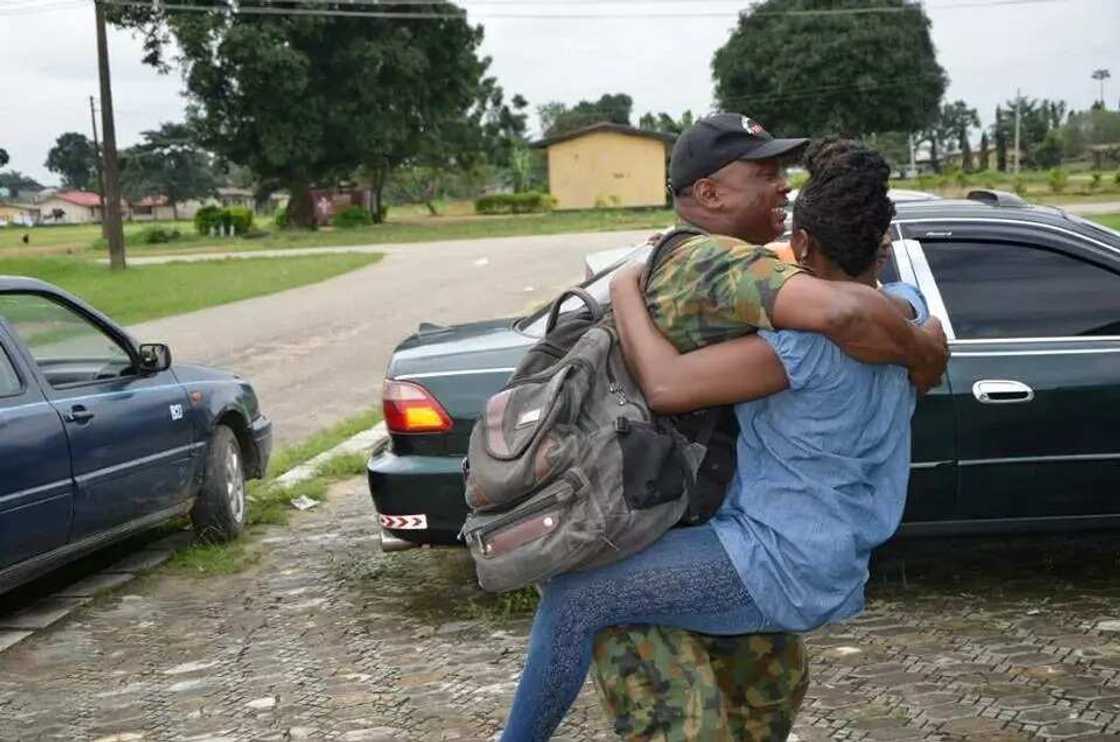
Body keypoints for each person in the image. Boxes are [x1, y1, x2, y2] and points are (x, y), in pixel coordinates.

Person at [498, 117, 944, 740]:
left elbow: (670, 385)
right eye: (765, 175)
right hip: (832, 554)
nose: (781, 190)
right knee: (754, 706)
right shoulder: (909, 311)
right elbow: (874, 311)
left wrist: (627, 280)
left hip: (770, 558)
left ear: (807, 246)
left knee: (576, 597)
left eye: (784, 180)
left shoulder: (804, 341)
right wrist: (925, 350)